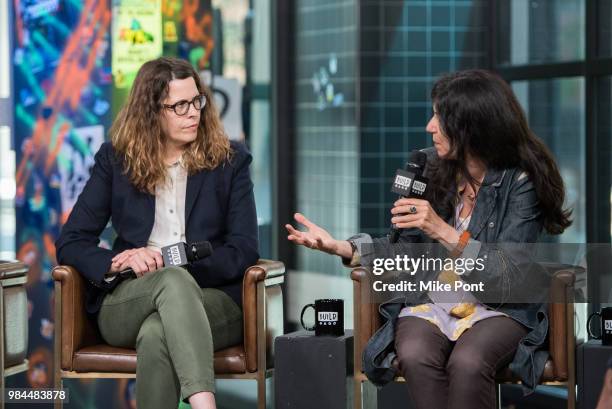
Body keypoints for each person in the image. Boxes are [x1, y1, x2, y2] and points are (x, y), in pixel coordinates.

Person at [286, 69, 572, 409]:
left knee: (468, 362)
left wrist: (441, 229)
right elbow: (403, 248)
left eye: (440, 117)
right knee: (414, 352)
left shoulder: (520, 181)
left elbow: (506, 274)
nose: (429, 126)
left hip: (500, 307)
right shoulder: (426, 166)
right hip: (432, 299)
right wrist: (341, 247)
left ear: (471, 127)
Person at [55, 57, 259, 409]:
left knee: (156, 331)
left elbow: (244, 250)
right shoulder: (116, 161)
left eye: (197, 101)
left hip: (212, 299)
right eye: (179, 106)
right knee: (169, 283)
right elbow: (71, 242)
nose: (193, 112)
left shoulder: (230, 161)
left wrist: (176, 261)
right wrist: (119, 261)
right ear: (152, 112)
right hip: (130, 297)